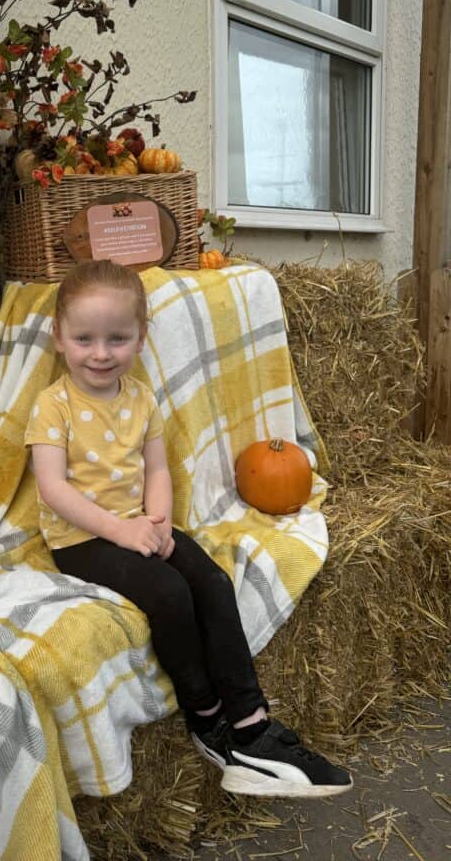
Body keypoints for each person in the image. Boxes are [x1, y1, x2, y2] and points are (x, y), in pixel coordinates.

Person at [24, 259, 352, 798]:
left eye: (117, 338)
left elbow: (156, 467)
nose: (101, 352)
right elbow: (54, 490)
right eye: (84, 338)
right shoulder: (53, 406)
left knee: (213, 581)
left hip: (140, 525)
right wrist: (124, 532)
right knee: (170, 594)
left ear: (141, 337)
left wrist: (156, 520)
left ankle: (251, 726)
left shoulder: (140, 399)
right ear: (58, 337)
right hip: (81, 539)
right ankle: (207, 716)